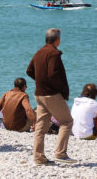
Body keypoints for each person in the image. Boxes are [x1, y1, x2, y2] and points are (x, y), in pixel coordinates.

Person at [26, 28, 76, 165]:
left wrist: (40, 81)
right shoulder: (54, 53)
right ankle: (60, 153)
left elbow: (29, 70)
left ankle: (38, 157)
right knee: (67, 121)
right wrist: (59, 88)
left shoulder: (39, 52)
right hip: (51, 94)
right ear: (57, 40)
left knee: (41, 127)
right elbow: (53, 74)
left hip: (39, 94)